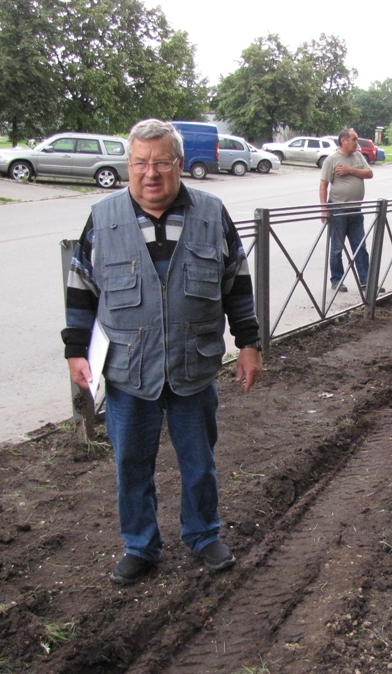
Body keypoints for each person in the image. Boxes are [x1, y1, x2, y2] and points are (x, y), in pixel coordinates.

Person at [62, 119, 263, 585]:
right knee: (131, 464)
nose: (150, 173)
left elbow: (237, 283)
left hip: (193, 365)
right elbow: (82, 289)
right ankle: (140, 545)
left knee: (199, 461)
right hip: (129, 369)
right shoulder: (104, 218)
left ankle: (202, 534)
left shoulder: (212, 214)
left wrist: (249, 343)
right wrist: (76, 350)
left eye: (161, 163)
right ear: (128, 165)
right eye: (140, 163)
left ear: (178, 165)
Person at [319, 128, 374, 292]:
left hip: (355, 209)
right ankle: (337, 280)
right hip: (338, 209)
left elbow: (369, 173)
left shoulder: (358, 156)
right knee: (337, 247)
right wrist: (324, 209)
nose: (357, 142)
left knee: (360, 247)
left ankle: (366, 281)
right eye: (354, 139)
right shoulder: (332, 160)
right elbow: (323, 185)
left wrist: (351, 170)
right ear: (344, 141)